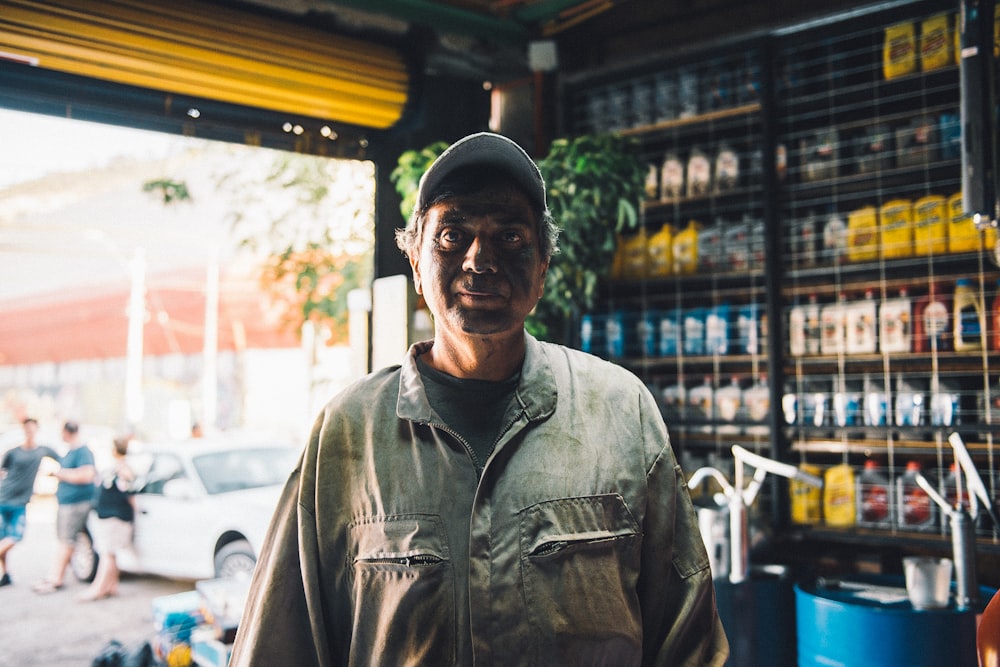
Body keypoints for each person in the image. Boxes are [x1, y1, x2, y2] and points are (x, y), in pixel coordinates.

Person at [231, 132, 729, 665]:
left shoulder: (621, 410)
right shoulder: (346, 432)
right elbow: (281, 645)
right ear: (417, 265)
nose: (480, 259)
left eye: (511, 237)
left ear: (542, 268)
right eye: (451, 235)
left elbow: (687, 640)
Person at [33, 420, 96, 594]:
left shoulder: (83, 451)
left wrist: (59, 473)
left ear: (68, 432)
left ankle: (56, 578)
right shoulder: (71, 451)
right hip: (67, 503)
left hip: (76, 503)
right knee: (64, 540)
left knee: (67, 541)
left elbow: (87, 475)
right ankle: (56, 575)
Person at [0, 418, 60, 587]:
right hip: (3, 498)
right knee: (3, 537)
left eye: (32, 429)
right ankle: (6, 573)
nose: (29, 432)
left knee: (15, 537)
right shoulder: (12, 452)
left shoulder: (42, 451)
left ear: (37, 430)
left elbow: (62, 461)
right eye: (27, 429)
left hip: (20, 502)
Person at [78, 435, 135, 602]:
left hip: (116, 516)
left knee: (107, 553)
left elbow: (129, 491)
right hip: (108, 514)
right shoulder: (117, 466)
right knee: (110, 553)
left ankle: (98, 588)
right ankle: (111, 585)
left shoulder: (124, 469)